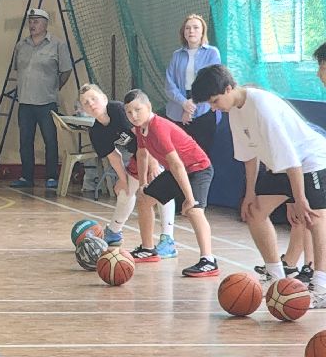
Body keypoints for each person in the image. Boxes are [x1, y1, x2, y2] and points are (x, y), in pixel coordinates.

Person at [190, 63, 326, 308]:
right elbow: (249, 156)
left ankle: (322, 286)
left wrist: (299, 199)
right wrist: (250, 193)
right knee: (254, 212)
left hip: (309, 160)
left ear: (229, 88)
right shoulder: (234, 111)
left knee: (314, 218)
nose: (213, 107)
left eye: (214, 100)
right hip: (282, 165)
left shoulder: (262, 106)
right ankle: (277, 278)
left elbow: (292, 158)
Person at [122, 88, 218, 277]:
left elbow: (176, 164)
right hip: (179, 170)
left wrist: (189, 198)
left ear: (148, 107)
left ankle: (209, 260)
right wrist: (143, 185)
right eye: (129, 112)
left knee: (194, 209)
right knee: (144, 199)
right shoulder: (141, 129)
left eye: (138, 110)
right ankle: (148, 249)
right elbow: (142, 154)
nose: (133, 115)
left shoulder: (158, 127)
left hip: (197, 168)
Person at [78, 84, 177, 254]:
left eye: (94, 99)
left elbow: (144, 131)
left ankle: (168, 239)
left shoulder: (118, 110)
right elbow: (114, 157)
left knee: (161, 188)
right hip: (139, 154)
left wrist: (154, 163)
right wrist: (122, 180)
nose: (91, 104)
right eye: (86, 103)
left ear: (104, 99)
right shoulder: (96, 131)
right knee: (125, 192)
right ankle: (114, 232)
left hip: (159, 146)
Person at [9, 7, 73, 190]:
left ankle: (51, 177)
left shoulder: (57, 45)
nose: (32, 24)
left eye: (36, 21)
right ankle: (26, 177)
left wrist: (54, 87)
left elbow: (66, 70)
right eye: (30, 21)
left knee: (50, 141)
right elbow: (18, 69)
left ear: (45, 24)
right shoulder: (21, 45)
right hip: (25, 103)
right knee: (25, 141)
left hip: (47, 102)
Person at [165, 13, 222, 157]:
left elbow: (212, 81)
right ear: (183, 33)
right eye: (188, 28)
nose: (191, 31)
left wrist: (191, 106)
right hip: (178, 108)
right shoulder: (176, 55)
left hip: (204, 110)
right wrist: (184, 103)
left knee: (202, 155)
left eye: (196, 28)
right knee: (181, 156)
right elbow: (169, 84)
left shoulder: (212, 53)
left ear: (202, 31)